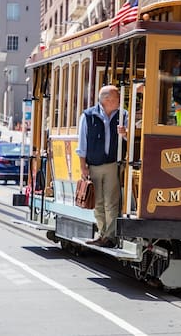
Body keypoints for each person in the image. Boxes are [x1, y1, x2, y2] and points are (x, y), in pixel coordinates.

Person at [76, 85, 128, 248]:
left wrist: (125, 134)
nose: (119, 101)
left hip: (112, 164)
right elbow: (82, 143)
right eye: (116, 98)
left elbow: (131, 139)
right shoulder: (88, 116)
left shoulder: (123, 115)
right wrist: (83, 166)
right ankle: (102, 233)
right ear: (107, 100)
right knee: (98, 202)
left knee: (111, 201)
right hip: (94, 165)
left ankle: (110, 237)